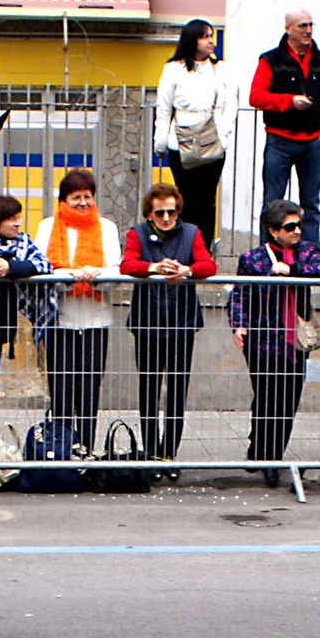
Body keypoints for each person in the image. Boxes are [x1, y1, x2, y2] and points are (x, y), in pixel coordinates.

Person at [232, 200, 320, 487]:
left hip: (296, 340)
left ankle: (273, 455)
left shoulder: (306, 252)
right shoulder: (253, 259)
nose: (297, 231)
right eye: (290, 227)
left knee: (288, 399)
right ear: (273, 231)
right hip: (262, 339)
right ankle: (262, 451)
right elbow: (239, 293)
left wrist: (295, 270)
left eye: (298, 225)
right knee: (265, 396)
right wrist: (238, 324)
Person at [121, 185, 217, 471]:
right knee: (148, 390)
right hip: (148, 321)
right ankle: (150, 452)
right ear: (149, 213)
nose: (166, 218)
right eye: (160, 212)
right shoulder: (136, 234)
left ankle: (169, 453)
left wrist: (185, 270)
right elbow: (127, 264)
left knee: (177, 390)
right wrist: (154, 268)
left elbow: (207, 265)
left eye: (171, 212)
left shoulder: (191, 233)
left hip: (182, 322)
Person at [30, 169, 123, 453]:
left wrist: (96, 275)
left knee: (89, 389)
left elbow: (115, 269)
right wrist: (71, 276)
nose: (83, 203)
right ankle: (61, 449)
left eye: (87, 196)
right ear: (64, 200)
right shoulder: (48, 227)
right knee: (60, 388)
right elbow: (41, 268)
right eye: (76, 197)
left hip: (96, 320)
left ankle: (86, 448)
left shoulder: (106, 227)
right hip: (59, 319)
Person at [249, 8, 320, 251]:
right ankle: (268, 259)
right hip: (279, 139)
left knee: (311, 205)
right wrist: (289, 102)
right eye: (302, 25)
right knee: (272, 204)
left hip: (313, 142)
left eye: (311, 25)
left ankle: (310, 260)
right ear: (288, 29)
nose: (308, 30)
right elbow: (256, 97)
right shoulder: (270, 60)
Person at [156, 18, 236, 247]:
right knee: (185, 199)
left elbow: (230, 103)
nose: (210, 41)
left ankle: (204, 250)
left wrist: (223, 135)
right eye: (204, 37)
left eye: (211, 36)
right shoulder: (173, 69)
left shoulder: (220, 69)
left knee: (207, 200)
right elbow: (163, 109)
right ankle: (183, 248)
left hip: (212, 141)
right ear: (192, 40)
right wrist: (160, 144)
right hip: (179, 143)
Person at [0, 194, 50, 446]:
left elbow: (42, 264)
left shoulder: (22, 243)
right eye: (11, 219)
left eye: (18, 217)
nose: (18, 223)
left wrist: (10, 268)